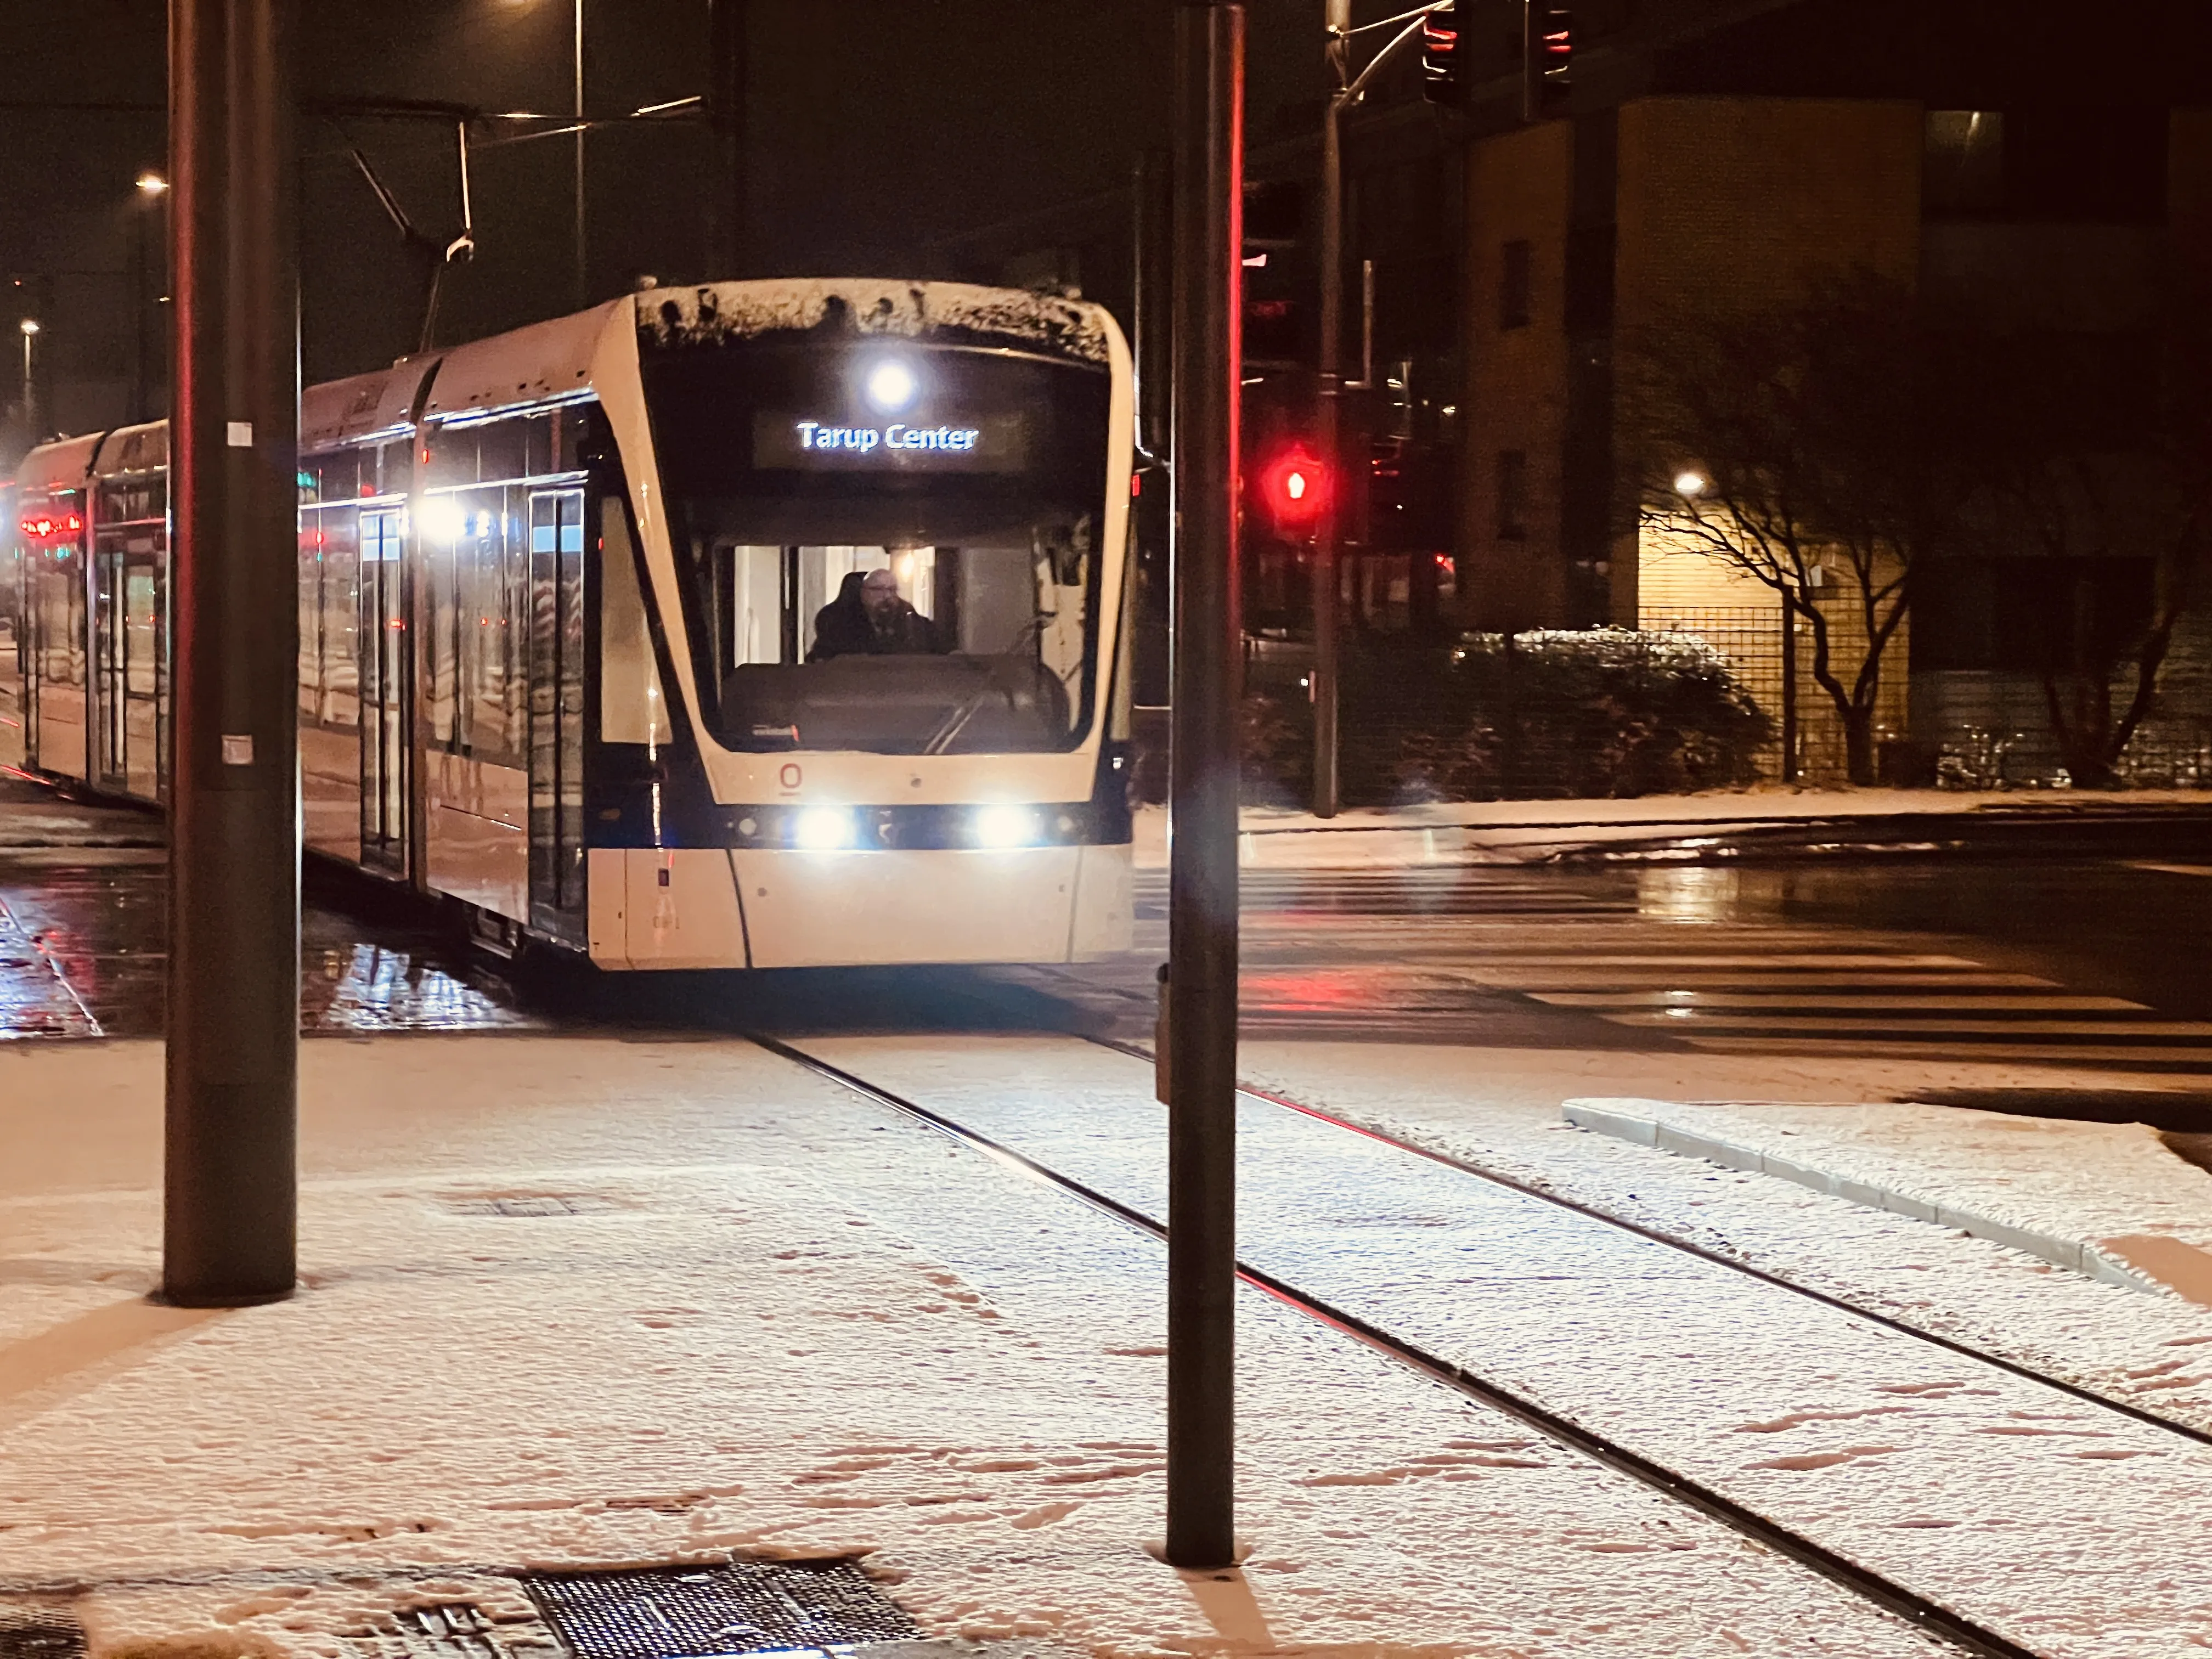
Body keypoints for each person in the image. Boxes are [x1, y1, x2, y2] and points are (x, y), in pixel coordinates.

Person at [807, 566, 946, 660]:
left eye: (892, 590)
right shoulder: (837, 622)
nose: (887, 596)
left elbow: (937, 647)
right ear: (863, 592)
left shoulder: (912, 621)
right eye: (878, 590)